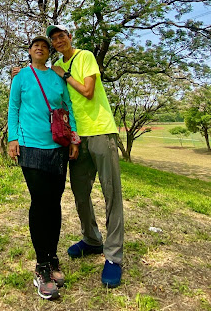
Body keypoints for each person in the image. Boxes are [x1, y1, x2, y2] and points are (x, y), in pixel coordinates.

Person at [46, 24, 124, 288]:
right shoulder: (57, 65)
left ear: (70, 38)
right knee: (80, 192)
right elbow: (53, 93)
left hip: (101, 131)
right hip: (77, 138)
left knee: (111, 193)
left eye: (61, 36)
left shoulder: (85, 56)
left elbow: (88, 91)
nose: (58, 41)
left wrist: (65, 74)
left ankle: (113, 257)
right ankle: (92, 240)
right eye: (54, 39)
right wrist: (19, 75)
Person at [8, 35, 80, 300]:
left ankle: (52, 258)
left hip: (58, 147)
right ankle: (41, 266)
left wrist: (74, 139)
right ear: (30, 51)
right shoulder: (21, 77)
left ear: (50, 53)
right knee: (40, 202)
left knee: (55, 202)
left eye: (45, 46)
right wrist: (12, 138)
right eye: (35, 45)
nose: (40, 48)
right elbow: (13, 107)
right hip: (30, 145)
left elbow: (68, 107)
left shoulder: (57, 77)